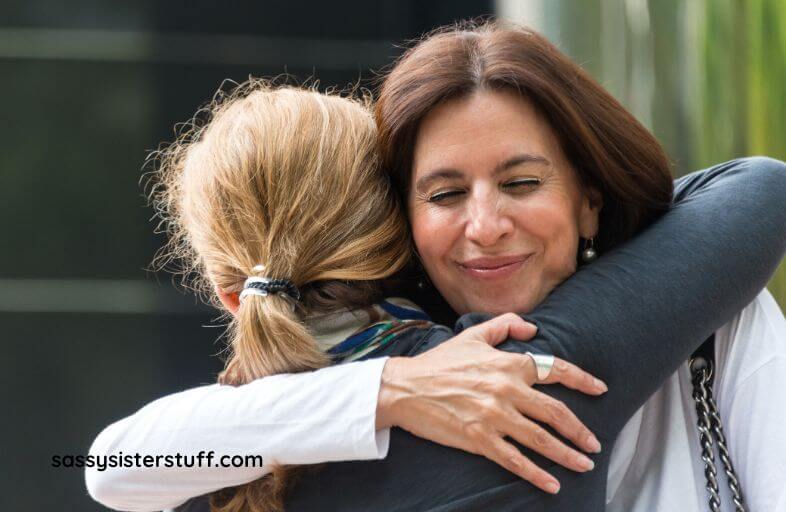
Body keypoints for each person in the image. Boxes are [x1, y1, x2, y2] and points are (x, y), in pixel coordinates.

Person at [86, 22, 786, 512]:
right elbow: (111, 465)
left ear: (590, 200)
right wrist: (392, 390)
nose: (485, 225)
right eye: (445, 194)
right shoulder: (401, 381)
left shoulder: (717, 306)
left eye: (522, 183)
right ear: (398, 226)